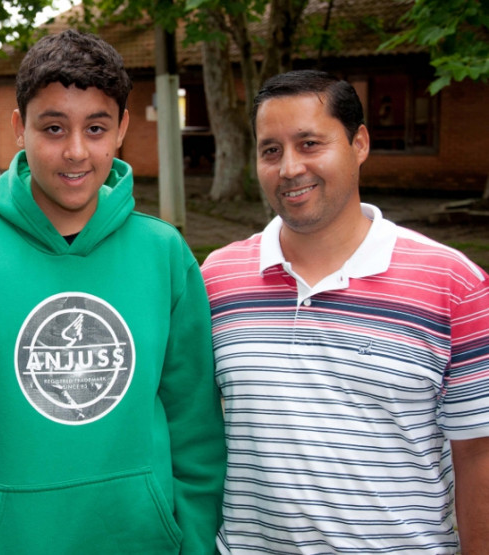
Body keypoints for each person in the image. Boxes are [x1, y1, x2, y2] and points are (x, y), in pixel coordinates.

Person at [0, 29, 226, 554]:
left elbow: (195, 426)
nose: (76, 151)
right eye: (53, 127)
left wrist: (186, 540)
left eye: (96, 127)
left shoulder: (164, 254)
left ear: (123, 129)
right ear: (19, 127)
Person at [201, 69, 489, 553]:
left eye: (309, 143)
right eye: (271, 150)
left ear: (359, 143)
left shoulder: (454, 284)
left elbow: (478, 456)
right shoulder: (217, 280)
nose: (289, 167)